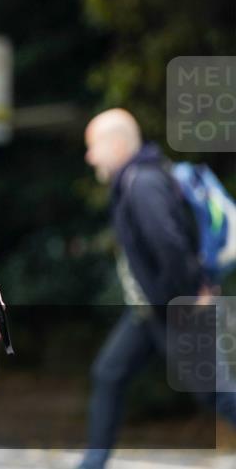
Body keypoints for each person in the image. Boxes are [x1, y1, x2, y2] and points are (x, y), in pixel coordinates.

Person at [78, 108, 236, 469]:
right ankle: (93, 462)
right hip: (151, 310)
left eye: (93, 147)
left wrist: (191, 294)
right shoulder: (134, 181)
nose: (89, 157)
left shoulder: (142, 183)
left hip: (178, 307)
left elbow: (170, 245)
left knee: (217, 393)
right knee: (110, 372)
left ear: (117, 145)